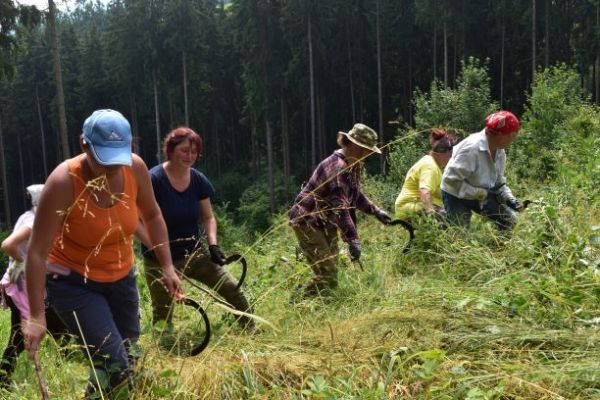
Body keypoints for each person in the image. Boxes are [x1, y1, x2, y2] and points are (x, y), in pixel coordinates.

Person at [23, 109, 182, 398]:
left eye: (116, 159)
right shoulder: (63, 182)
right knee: (113, 362)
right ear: (83, 145)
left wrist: (167, 266)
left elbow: (153, 215)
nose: (110, 169)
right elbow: (36, 252)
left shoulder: (134, 168)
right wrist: (36, 316)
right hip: (73, 282)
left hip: (121, 279)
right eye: (102, 160)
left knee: (129, 359)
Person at [140, 127, 254, 331]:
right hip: (157, 260)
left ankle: (251, 329)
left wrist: (213, 244)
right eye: (184, 150)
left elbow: (208, 217)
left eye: (194, 152)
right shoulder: (154, 179)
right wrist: (161, 255)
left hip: (193, 254)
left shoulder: (198, 179)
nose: (190, 156)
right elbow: (139, 221)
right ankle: (165, 346)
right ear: (171, 150)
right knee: (162, 314)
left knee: (231, 288)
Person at [289, 123, 392, 297]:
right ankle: (297, 299)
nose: (367, 155)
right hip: (307, 220)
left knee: (331, 273)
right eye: (366, 150)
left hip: (325, 221)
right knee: (327, 273)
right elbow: (341, 208)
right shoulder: (338, 167)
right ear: (356, 146)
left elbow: (355, 195)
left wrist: (375, 211)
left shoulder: (351, 165)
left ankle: (318, 301)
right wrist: (353, 240)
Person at [0, 185, 68, 388]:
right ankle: (3, 380)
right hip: (22, 285)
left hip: (19, 282)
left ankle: (61, 369)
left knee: (58, 330)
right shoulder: (33, 221)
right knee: (24, 336)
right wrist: (25, 263)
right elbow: (7, 245)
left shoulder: (28, 216)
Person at [441, 110, 523, 230]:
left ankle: (500, 246)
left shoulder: (500, 151)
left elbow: (498, 182)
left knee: (510, 220)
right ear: (500, 134)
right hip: (455, 194)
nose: (513, 139)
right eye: (512, 135)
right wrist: (479, 193)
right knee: (459, 236)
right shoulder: (472, 149)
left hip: (481, 193)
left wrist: (509, 198)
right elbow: (450, 180)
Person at [394, 129, 455, 220]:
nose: (450, 158)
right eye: (449, 154)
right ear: (441, 153)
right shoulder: (430, 166)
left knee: (453, 215)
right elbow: (425, 191)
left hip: (415, 207)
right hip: (411, 207)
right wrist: (431, 214)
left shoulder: (433, 164)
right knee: (450, 219)